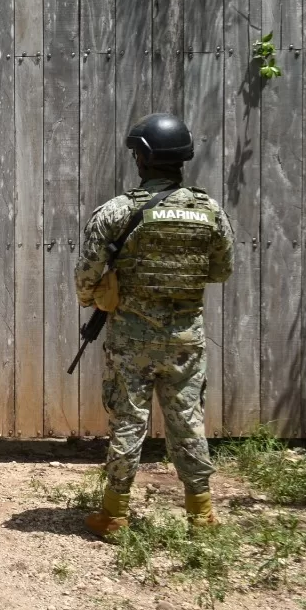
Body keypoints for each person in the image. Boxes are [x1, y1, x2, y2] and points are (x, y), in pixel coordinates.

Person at [77, 113, 234, 536]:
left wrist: (104, 297)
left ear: (143, 159)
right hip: (186, 337)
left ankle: (114, 514)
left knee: (128, 420)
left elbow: (86, 278)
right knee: (188, 420)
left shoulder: (117, 212)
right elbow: (221, 270)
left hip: (131, 338)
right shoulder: (209, 210)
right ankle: (201, 514)